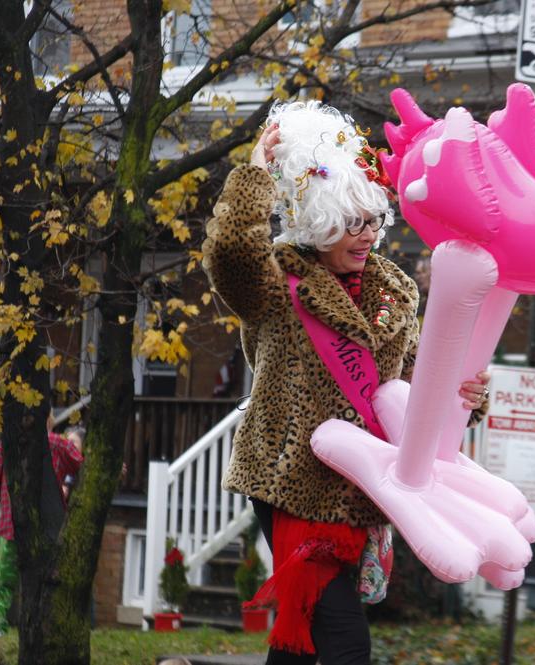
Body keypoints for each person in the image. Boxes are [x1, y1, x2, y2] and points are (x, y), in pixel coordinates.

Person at [201, 101, 490, 665]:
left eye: (374, 220)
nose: (367, 235)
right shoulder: (276, 277)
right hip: (291, 481)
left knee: (303, 645)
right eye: (351, 222)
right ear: (319, 221)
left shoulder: (397, 289)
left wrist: (466, 397)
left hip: (363, 486)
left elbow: (414, 382)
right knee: (343, 641)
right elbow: (231, 251)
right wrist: (257, 170)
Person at [0, 412, 83, 635]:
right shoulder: (58, 444)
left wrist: (4, 491)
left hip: (11, 524)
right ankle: (48, 627)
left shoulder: (8, 444)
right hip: (47, 528)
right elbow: (82, 465)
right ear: (49, 422)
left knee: (0, 579)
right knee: (46, 580)